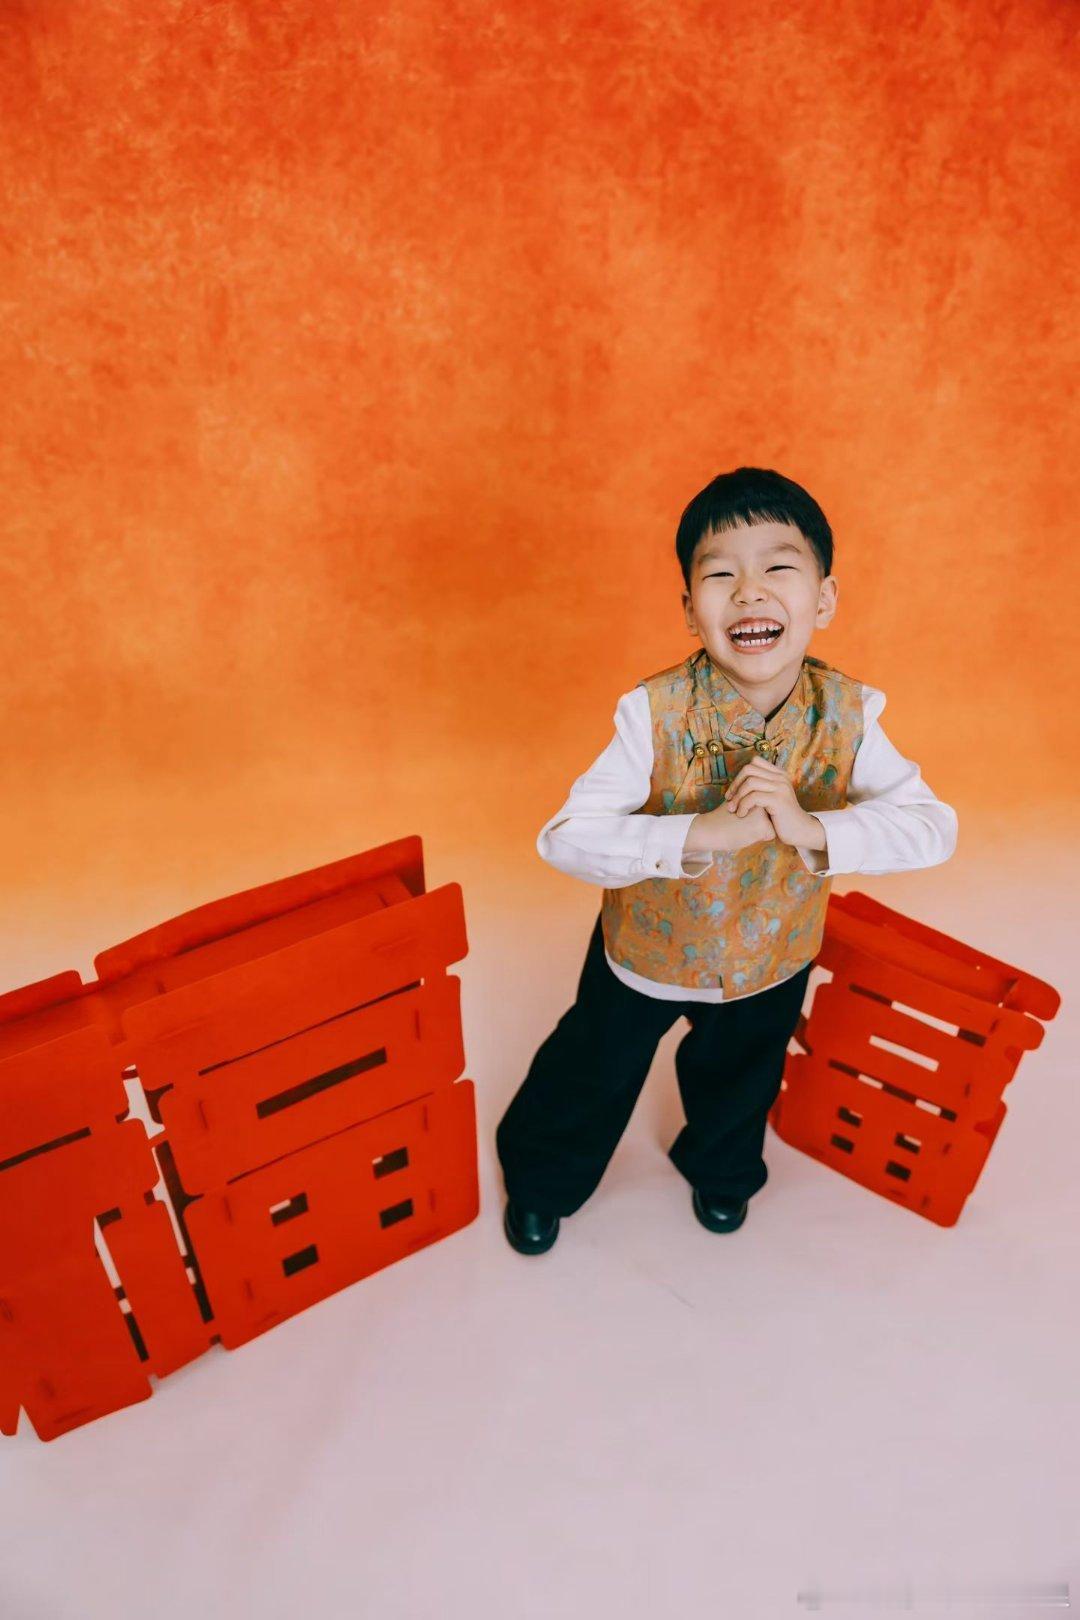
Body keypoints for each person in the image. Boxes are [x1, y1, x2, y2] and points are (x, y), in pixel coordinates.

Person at [495, 466, 959, 1255]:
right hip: (644, 956)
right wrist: (697, 836)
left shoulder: (852, 714)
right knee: (592, 1071)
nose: (749, 592)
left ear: (824, 599)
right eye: (720, 575)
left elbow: (933, 828)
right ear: (690, 610)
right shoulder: (651, 712)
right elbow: (565, 836)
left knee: (742, 1078)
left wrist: (812, 828)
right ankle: (542, 1180)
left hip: (771, 958)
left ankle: (722, 1173)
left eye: (778, 567)